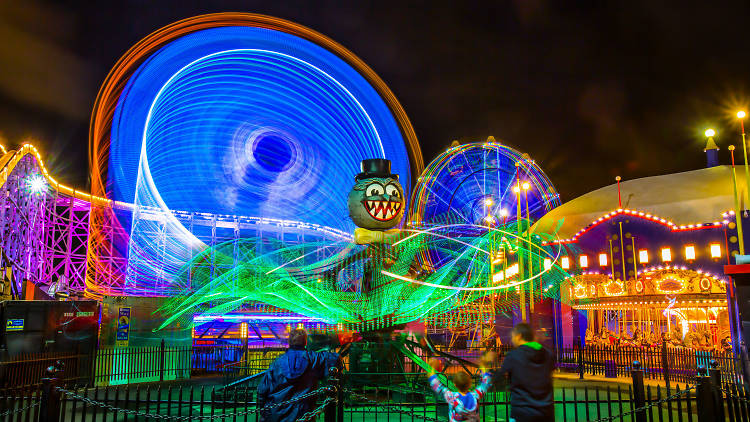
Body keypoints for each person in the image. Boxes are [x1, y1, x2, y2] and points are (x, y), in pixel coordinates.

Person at [257, 328, 340, 422]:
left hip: (277, 413)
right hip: (303, 413)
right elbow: (335, 359)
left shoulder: (277, 363)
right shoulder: (314, 358)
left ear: (289, 342)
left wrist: (264, 412)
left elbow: (262, 389)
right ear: (306, 342)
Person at [493, 323, 555, 422]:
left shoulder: (513, 356)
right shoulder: (548, 354)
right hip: (546, 412)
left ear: (519, 336)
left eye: (513, 337)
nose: (512, 340)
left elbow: (498, 380)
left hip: (522, 412)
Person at [426, 351, 495, 422]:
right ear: (470, 384)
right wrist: (484, 366)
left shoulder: (451, 397)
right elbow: (485, 383)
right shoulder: (476, 395)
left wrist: (431, 370)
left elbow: (436, 385)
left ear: (455, 385)